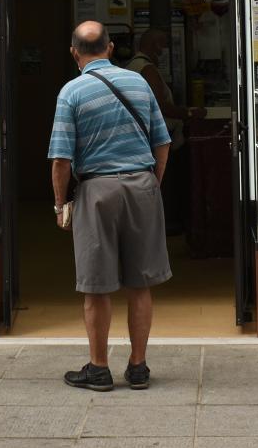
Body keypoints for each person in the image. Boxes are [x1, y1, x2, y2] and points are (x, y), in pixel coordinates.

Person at [48, 21, 172, 392]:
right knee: (141, 283)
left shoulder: (71, 92)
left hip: (96, 191)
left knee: (96, 286)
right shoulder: (139, 83)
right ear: (111, 47)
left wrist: (59, 204)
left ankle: (99, 368)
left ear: (74, 52)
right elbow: (162, 142)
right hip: (142, 184)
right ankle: (138, 367)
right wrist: (151, 183)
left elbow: (60, 160)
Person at [124, 29, 203, 235]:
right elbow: (160, 106)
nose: (165, 50)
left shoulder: (132, 66)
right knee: (164, 183)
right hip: (156, 137)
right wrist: (188, 113)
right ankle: (164, 224)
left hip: (139, 135)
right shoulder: (146, 68)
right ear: (154, 46)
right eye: (162, 44)